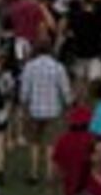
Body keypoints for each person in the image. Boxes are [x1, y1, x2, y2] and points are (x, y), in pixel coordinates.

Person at [20, 40, 73, 184]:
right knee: (51, 143)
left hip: (34, 109)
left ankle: (34, 172)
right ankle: (49, 174)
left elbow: (24, 90)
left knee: (34, 142)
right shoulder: (58, 67)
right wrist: (68, 104)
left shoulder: (30, 67)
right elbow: (65, 89)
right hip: (53, 110)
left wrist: (24, 105)